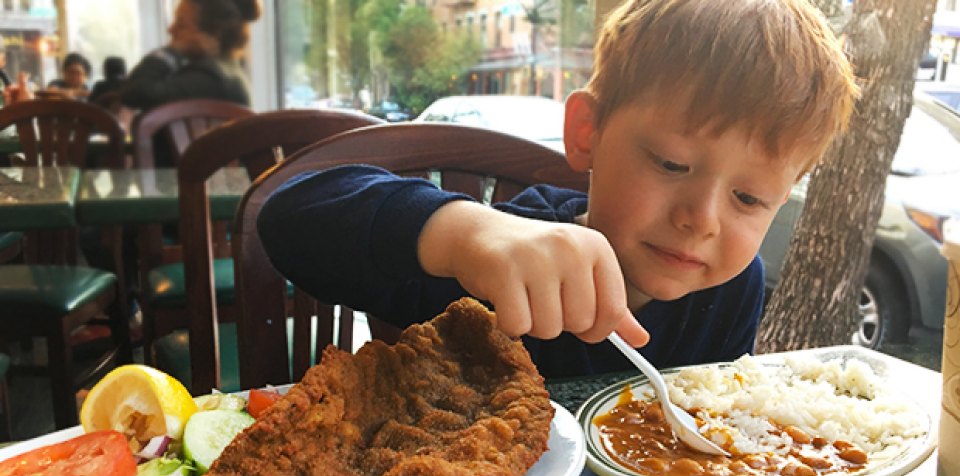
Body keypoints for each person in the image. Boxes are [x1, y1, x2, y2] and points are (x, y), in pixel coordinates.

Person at [256, 0, 860, 379]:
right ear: (587, 133)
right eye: (672, 163)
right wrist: (465, 234)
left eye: (749, 199)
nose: (702, 219)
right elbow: (288, 217)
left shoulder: (733, 289)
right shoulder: (497, 264)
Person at [119, 0, 260, 113]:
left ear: (210, 35)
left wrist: (173, 51)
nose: (170, 29)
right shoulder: (229, 72)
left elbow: (134, 92)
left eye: (181, 25)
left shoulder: (210, 77)